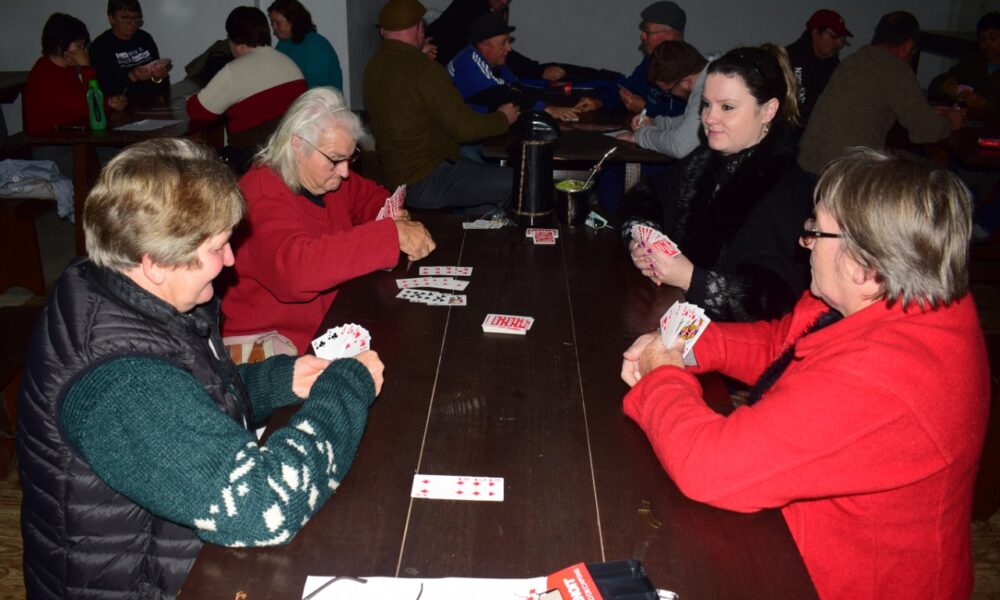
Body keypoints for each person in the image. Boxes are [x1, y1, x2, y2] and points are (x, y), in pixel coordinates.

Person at [18, 137, 385, 598]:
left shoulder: (122, 292)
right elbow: (263, 507)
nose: (231, 260)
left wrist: (276, 380)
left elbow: (190, 394)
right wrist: (348, 385)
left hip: (174, 559)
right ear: (155, 263)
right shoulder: (123, 385)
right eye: (218, 247)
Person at [620, 148, 989, 600]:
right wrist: (690, 345)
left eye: (816, 231)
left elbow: (709, 466)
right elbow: (783, 346)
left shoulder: (888, 376)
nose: (804, 242)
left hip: (841, 584)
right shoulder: (893, 294)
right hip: (795, 541)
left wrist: (662, 373)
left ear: (865, 267)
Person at [221, 87, 436, 353]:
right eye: (335, 160)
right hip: (272, 345)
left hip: (333, 321)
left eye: (350, 158)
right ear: (297, 145)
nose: (345, 172)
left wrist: (389, 215)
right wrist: (390, 236)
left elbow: (369, 196)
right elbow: (296, 272)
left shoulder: (327, 177)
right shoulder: (260, 194)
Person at [619, 46, 813, 322]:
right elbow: (645, 197)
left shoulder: (786, 188)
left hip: (731, 342)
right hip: (674, 317)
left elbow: (771, 301)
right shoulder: (706, 158)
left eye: (727, 107)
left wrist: (689, 277)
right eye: (706, 104)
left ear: (769, 110)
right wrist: (641, 241)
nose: (709, 118)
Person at [363, 0, 519, 212]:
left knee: (480, 176)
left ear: (383, 32)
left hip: (395, 177)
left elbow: (402, 91)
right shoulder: (424, 70)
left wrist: (418, 55)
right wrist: (503, 118)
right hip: (427, 179)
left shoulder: (373, 66)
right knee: (518, 181)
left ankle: (475, 223)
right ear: (420, 28)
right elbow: (465, 129)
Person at [798, 11, 961, 175]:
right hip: (839, 174)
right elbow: (925, 130)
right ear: (907, 47)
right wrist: (950, 121)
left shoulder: (854, 59)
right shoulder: (895, 69)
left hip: (807, 163)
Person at [186, 6, 307, 148]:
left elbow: (198, 111)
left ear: (234, 41)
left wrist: (194, 97)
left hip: (250, 155)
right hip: (290, 151)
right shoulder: (289, 63)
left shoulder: (233, 71)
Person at [447, 12, 579, 122]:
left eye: (508, 41)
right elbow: (503, 94)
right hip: (462, 136)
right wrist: (548, 109)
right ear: (483, 46)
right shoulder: (468, 63)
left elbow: (518, 86)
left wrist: (566, 96)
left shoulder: (495, 62)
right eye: (503, 43)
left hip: (479, 125)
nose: (509, 48)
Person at [574, 1, 688, 118]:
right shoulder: (651, 60)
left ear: (669, 36)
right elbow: (628, 89)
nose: (642, 36)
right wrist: (600, 102)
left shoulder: (689, 71)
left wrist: (645, 108)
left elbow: (682, 120)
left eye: (648, 32)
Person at [23, 13, 127, 136]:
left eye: (83, 45)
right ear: (60, 46)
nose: (83, 51)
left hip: (72, 134)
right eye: (79, 46)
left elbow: (84, 100)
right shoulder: (46, 74)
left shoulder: (67, 68)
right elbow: (92, 110)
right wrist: (86, 68)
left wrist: (109, 102)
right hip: (51, 141)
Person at [428, 0, 565, 81]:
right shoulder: (474, 9)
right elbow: (500, 52)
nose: (505, 2)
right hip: (439, 75)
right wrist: (539, 71)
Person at [617, 40, 708, 159]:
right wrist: (655, 123)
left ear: (686, 83)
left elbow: (679, 146)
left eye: (668, 91)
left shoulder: (706, 93)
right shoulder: (712, 75)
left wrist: (639, 136)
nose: (671, 94)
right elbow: (689, 120)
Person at [89, 0, 170, 107]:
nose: (132, 23)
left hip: (152, 103)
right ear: (111, 18)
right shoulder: (100, 46)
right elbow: (104, 89)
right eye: (126, 18)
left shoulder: (145, 38)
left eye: (136, 18)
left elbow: (161, 86)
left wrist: (159, 77)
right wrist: (132, 76)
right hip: (122, 108)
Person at [785, 9, 852, 124]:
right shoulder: (791, 59)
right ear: (815, 33)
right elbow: (798, 109)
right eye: (834, 37)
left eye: (842, 39)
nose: (839, 44)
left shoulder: (833, 64)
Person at [930, 11, 1000, 114]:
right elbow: (934, 85)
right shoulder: (972, 62)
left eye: (993, 38)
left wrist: (983, 103)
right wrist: (945, 86)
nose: (987, 44)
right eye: (982, 39)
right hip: (965, 117)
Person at [268, 0, 343, 90]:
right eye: (272, 23)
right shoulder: (283, 44)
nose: (274, 28)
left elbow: (315, 89)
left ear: (293, 20)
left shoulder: (316, 45)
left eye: (278, 23)